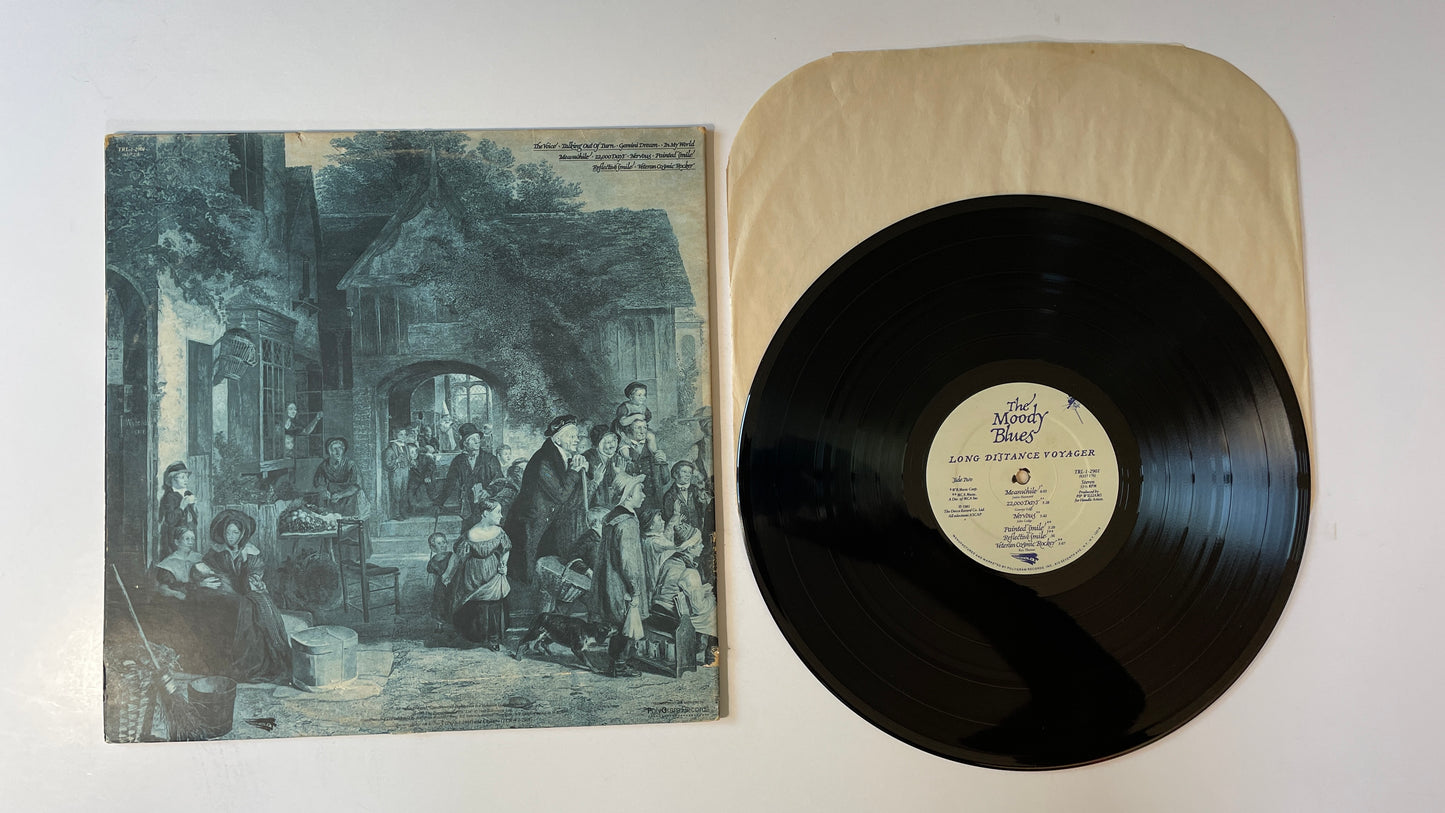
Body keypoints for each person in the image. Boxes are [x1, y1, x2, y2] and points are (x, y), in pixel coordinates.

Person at [203, 509, 291, 684]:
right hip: (225, 596)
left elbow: (249, 584)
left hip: (247, 595)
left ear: (242, 534)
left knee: (253, 608)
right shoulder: (216, 553)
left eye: (235, 532)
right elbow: (207, 573)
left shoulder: (251, 554)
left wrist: (244, 563)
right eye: (228, 532)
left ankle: (253, 664)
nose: (231, 537)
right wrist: (203, 582)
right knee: (234, 608)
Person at [505, 415, 590, 583]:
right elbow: (560, 494)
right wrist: (574, 471)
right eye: (571, 436)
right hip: (529, 523)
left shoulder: (563, 456)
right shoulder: (543, 460)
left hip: (547, 522)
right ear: (558, 440)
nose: (577, 440)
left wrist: (584, 471)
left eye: (577, 436)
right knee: (528, 573)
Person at [596, 480, 648, 677]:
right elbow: (628, 561)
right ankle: (619, 664)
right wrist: (635, 589)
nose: (643, 496)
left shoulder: (612, 517)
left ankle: (615, 662)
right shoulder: (627, 522)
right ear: (629, 495)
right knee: (626, 621)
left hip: (610, 580)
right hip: (623, 582)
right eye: (640, 492)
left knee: (618, 622)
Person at [652, 522, 718, 664]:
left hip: (659, 608)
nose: (702, 547)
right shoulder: (690, 572)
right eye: (699, 544)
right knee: (713, 609)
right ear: (689, 548)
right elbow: (698, 607)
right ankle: (705, 650)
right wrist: (711, 598)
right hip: (673, 614)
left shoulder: (670, 561)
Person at [450, 499, 512, 650]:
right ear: (485, 514)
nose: (501, 516)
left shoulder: (499, 532)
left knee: (495, 603)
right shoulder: (471, 534)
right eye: (498, 512)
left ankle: (494, 638)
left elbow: (506, 549)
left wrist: (503, 564)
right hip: (474, 573)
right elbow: (458, 556)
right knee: (478, 604)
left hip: (493, 570)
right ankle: (478, 636)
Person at [435, 422, 502, 522]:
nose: (477, 441)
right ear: (465, 443)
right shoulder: (458, 461)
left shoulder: (490, 459)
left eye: (477, 437)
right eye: (472, 439)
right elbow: (449, 484)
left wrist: (489, 491)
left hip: (488, 507)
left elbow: (500, 480)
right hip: (467, 507)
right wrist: (439, 502)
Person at [153, 527, 221, 600]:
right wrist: (176, 593)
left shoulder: (200, 558)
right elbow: (163, 589)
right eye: (187, 539)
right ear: (177, 542)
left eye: (193, 539)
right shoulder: (167, 564)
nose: (191, 542)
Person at [617, 413, 668, 511]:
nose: (642, 431)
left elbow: (665, 479)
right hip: (633, 503)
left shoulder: (653, 450)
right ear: (629, 430)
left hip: (655, 501)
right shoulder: (623, 452)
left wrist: (663, 463)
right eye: (638, 428)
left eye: (645, 427)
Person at [313, 437, 369, 518]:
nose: (338, 452)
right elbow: (319, 483)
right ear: (329, 451)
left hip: (349, 499)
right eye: (334, 449)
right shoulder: (324, 466)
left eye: (340, 448)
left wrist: (341, 495)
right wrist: (324, 492)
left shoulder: (350, 464)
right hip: (332, 500)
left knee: (348, 521)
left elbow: (356, 486)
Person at [661, 460, 713, 538]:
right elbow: (668, 520)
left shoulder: (696, 490)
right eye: (684, 472)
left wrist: (703, 501)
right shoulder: (669, 495)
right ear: (675, 474)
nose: (688, 475)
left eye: (690, 472)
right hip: (679, 537)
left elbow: (704, 514)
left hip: (698, 534)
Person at [158, 462, 197, 559]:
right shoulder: (169, 497)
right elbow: (170, 520)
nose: (186, 480)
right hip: (175, 539)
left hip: (188, 535)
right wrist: (182, 507)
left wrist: (194, 506)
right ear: (173, 479)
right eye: (182, 477)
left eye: (187, 477)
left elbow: (193, 518)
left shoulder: (187, 493)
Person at [584, 425, 624, 508]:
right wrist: (596, 480)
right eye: (607, 442)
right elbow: (583, 495)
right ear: (598, 444)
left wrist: (621, 476)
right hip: (594, 508)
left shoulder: (619, 459)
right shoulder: (587, 458)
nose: (612, 445)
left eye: (614, 440)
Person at [384, 425, 412, 520]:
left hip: (405, 472)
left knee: (404, 493)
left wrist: (410, 461)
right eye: (401, 435)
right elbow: (387, 463)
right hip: (396, 473)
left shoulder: (405, 446)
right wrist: (396, 460)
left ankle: (402, 511)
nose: (403, 437)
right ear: (395, 436)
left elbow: (408, 458)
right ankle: (396, 514)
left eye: (404, 434)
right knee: (396, 494)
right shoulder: (391, 448)